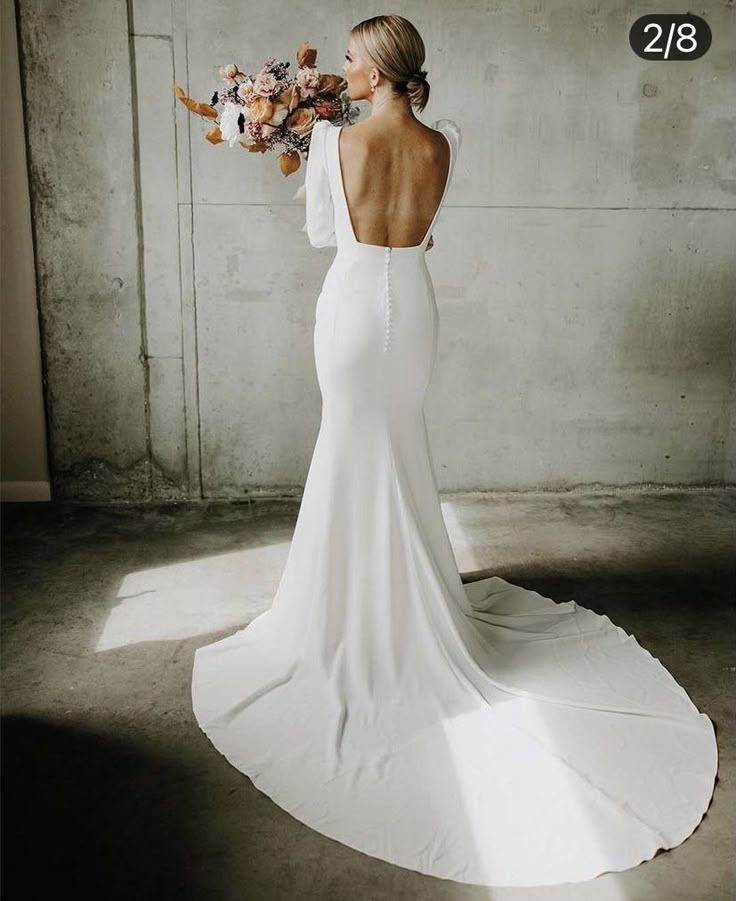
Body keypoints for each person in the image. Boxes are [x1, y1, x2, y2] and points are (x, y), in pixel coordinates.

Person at [192, 15, 718, 887]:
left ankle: (346, 621)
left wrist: (302, 138)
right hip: (415, 309)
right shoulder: (446, 143)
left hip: (358, 308)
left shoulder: (332, 141)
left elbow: (327, 237)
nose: (347, 70)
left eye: (354, 59)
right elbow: (422, 235)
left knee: (352, 449)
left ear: (379, 70)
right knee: (397, 448)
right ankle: (404, 608)